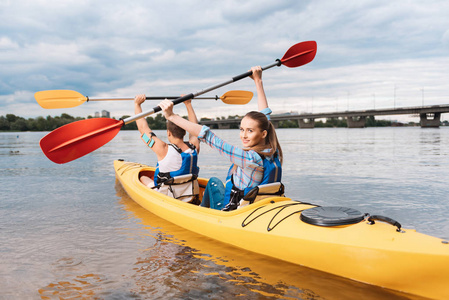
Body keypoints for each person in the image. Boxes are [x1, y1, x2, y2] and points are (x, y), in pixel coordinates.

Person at [159, 66, 283, 211]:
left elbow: (209, 137)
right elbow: (265, 117)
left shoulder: (248, 159)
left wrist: (172, 116)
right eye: (242, 129)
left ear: (263, 134)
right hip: (257, 208)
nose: (243, 135)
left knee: (213, 182)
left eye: (250, 131)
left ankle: (201, 213)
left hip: (236, 212)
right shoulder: (271, 151)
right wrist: (258, 81)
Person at [134, 94, 201, 202]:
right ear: (185, 131)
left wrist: (137, 105)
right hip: (189, 195)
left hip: (168, 198)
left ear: (168, 133)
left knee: (143, 178)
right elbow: (195, 127)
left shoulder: (162, 148)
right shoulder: (194, 147)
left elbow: (143, 130)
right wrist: (188, 104)